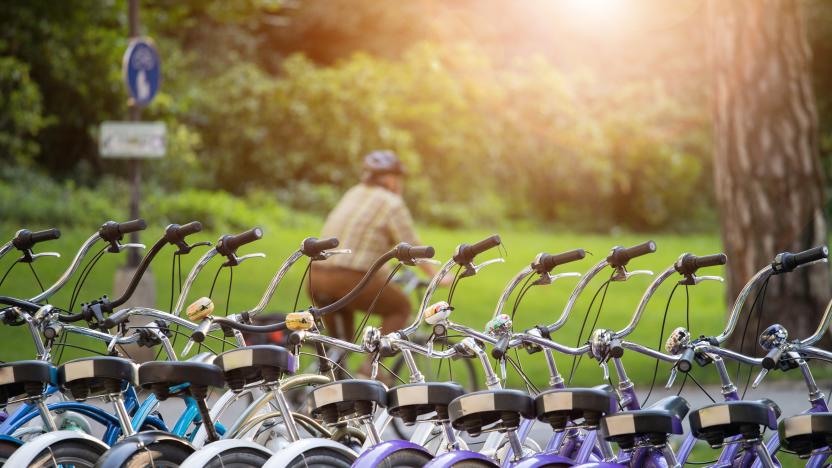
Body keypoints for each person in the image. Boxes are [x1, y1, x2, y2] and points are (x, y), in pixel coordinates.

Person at [308, 150, 450, 342]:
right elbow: (411, 245)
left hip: (315, 277)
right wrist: (437, 276)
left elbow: (363, 239)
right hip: (349, 280)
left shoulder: (353, 192)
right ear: (391, 179)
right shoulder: (391, 203)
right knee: (400, 308)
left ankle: (330, 369)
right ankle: (370, 370)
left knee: (342, 345)